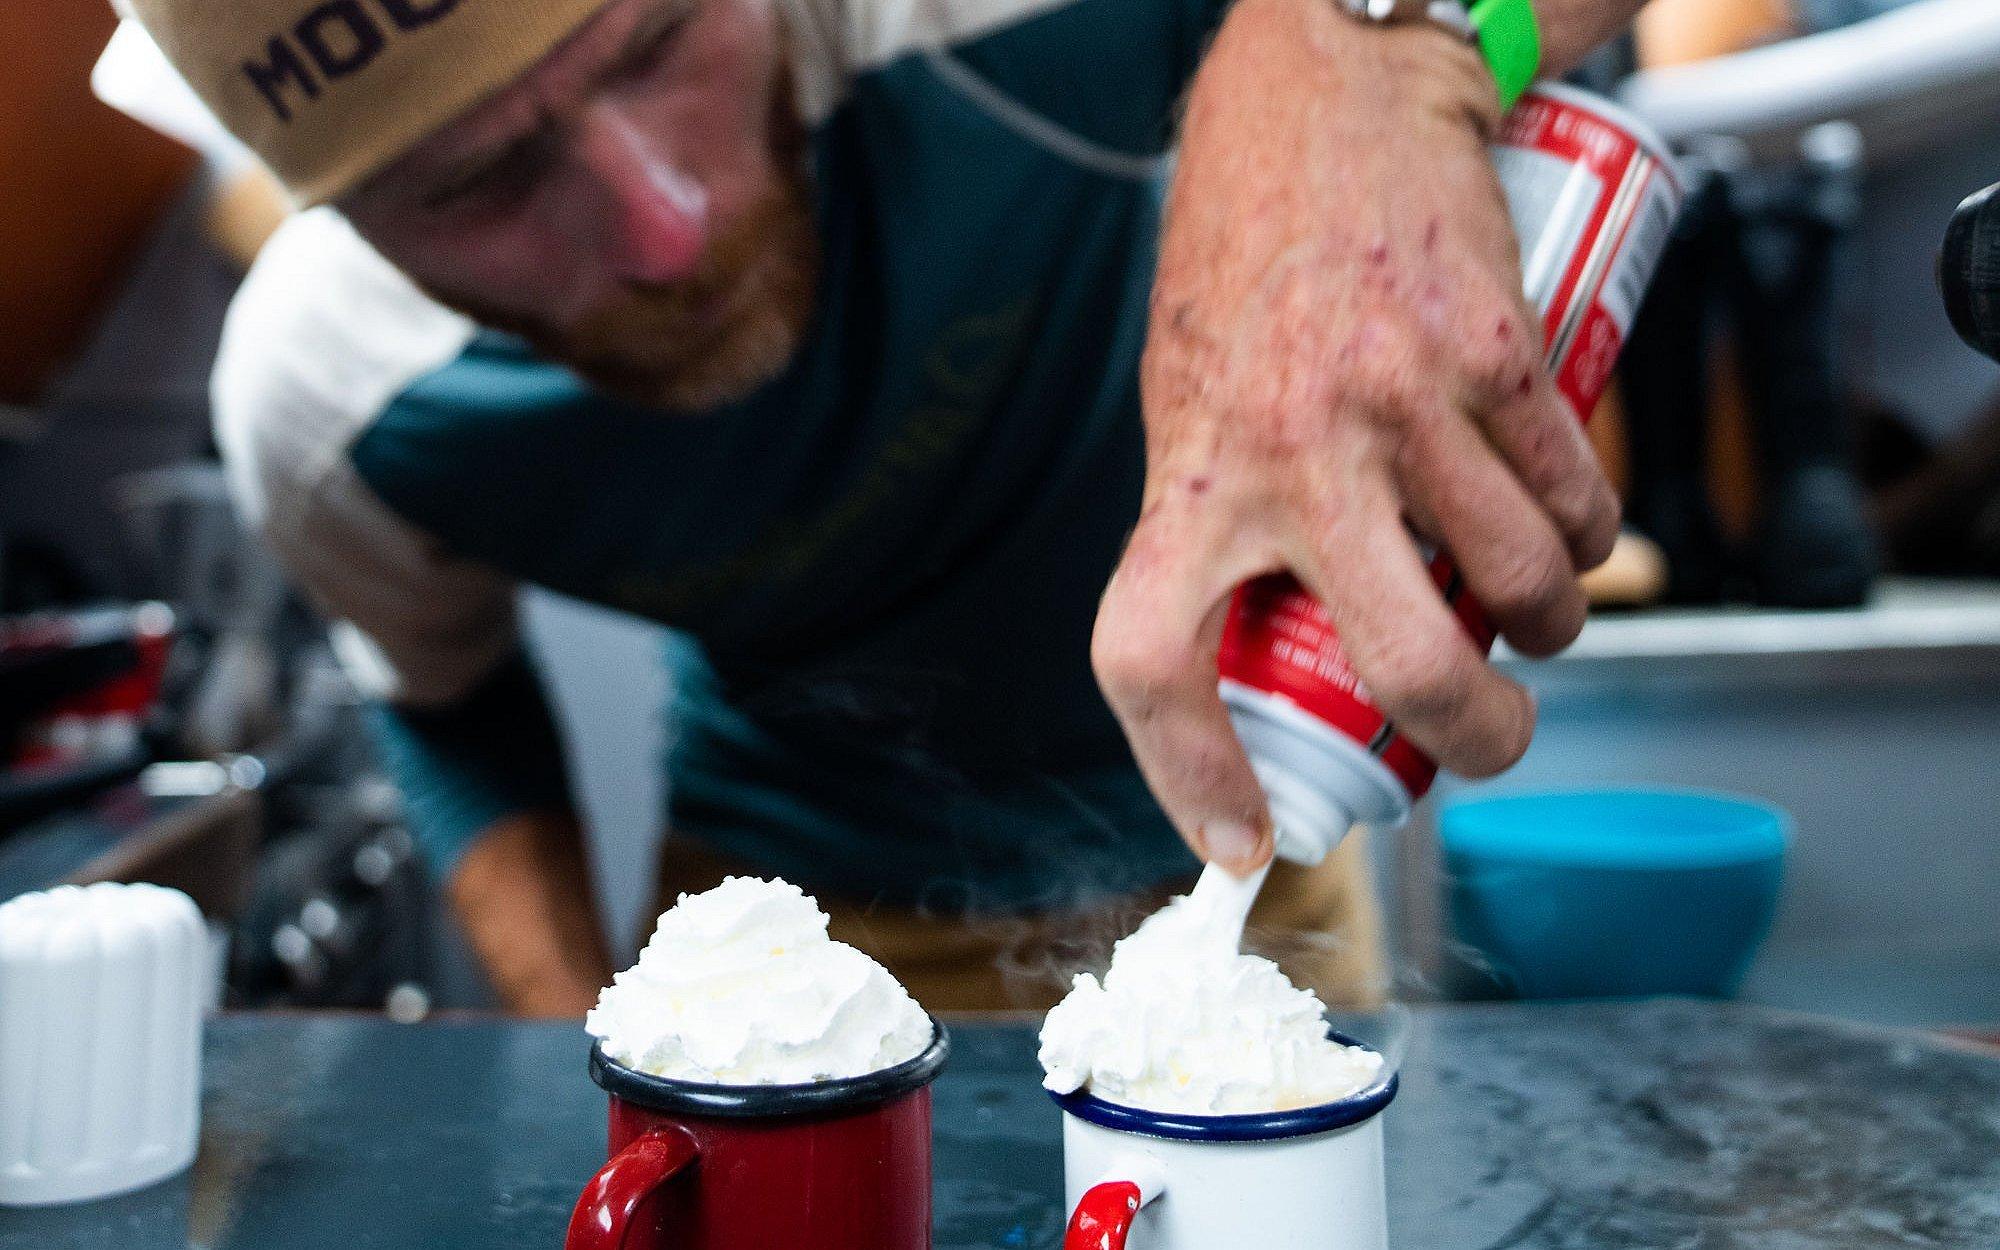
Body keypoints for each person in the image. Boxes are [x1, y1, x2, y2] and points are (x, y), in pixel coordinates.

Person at [125, 0, 1651, 1015]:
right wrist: (590, 1053)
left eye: (658, 37)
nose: (671, 226)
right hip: (771, 940)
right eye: (480, 183)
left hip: (1253, 878)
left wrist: (1372, 54)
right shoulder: (336, 409)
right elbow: (451, 707)